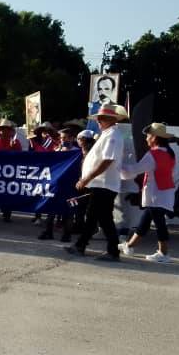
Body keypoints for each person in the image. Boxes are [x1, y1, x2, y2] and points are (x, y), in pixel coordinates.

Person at [66, 103, 126, 260]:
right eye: (98, 119)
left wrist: (86, 178)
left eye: (101, 119)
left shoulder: (112, 135)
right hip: (102, 184)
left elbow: (107, 161)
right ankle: (83, 245)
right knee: (97, 217)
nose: (98, 121)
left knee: (100, 217)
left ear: (111, 119)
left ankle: (104, 250)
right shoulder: (109, 134)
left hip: (104, 184)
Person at [118, 123, 178, 263]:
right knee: (145, 222)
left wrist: (118, 166)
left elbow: (134, 170)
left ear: (155, 138)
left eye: (148, 136)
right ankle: (130, 246)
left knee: (159, 223)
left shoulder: (153, 154)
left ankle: (163, 253)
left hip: (155, 193)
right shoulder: (169, 153)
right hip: (165, 192)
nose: (146, 138)